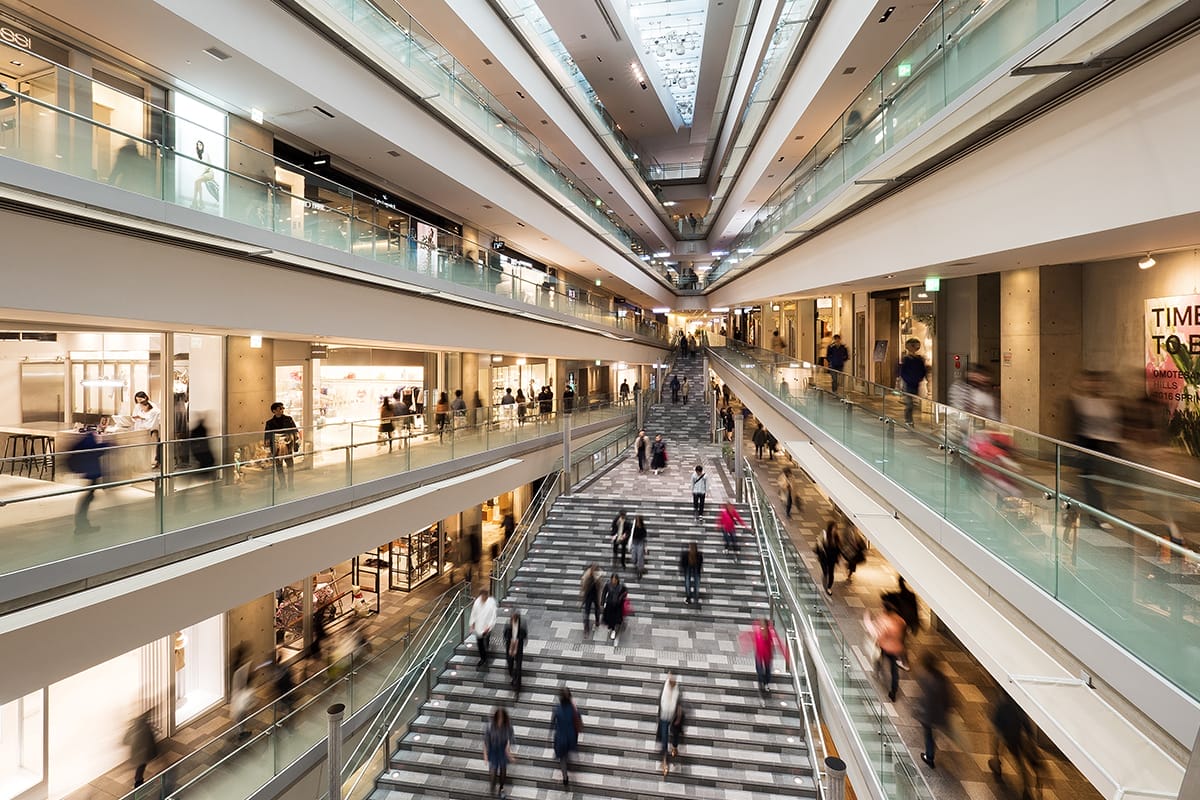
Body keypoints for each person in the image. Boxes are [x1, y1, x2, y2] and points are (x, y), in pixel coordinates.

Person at [1068, 370, 1123, 528]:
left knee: (1097, 482)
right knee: (1090, 482)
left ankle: (1080, 505)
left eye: (1099, 382)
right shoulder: (1079, 401)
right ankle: (1097, 514)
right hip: (1087, 445)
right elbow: (1073, 425)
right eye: (1092, 382)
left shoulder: (1110, 403)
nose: (1096, 385)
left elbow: (1115, 426)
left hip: (1106, 446)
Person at [989, 692, 1040, 793]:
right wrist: (1030, 738)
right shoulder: (1018, 706)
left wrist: (1000, 733)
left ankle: (996, 762)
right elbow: (1026, 723)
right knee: (1020, 759)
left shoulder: (1002, 705)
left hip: (1008, 736)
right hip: (1018, 735)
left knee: (1019, 760)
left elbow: (996, 723)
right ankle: (1027, 784)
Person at [915, 654, 952, 769]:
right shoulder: (941, 678)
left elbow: (926, 700)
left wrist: (920, 710)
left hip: (929, 714)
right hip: (939, 713)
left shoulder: (927, 680)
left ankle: (929, 757)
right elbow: (947, 697)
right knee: (930, 733)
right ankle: (930, 751)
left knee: (928, 734)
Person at [69, 429, 108, 533]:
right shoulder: (90, 440)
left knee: (89, 496)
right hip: (91, 471)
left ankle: (82, 524)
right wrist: (107, 445)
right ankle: (81, 525)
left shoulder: (87, 439)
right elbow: (95, 451)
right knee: (88, 497)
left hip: (90, 471)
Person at [869, 600, 907, 701]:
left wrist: (877, 641)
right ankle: (893, 691)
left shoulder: (884, 620)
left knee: (878, 658)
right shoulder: (900, 620)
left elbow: (880, 634)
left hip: (885, 646)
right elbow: (903, 630)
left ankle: (876, 671)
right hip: (896, 648)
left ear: (885, 609)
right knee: (894, 670)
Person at [882, 577, 920, 670]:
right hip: (905, 624)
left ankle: (903, 662)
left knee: (900, 643)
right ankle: (902, 661)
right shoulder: (909, 596)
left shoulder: (899, 598)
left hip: (902, 624)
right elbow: (915, 612)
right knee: (900, 642)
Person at [746, 618, 788, 697]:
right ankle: (761, 682)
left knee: (767, 670)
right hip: (759, 654)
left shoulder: (769, 633)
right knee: (759, 669)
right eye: (761, 624)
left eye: (763, 624)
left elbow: (775, 643)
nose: (762, 626)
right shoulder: (758, 632)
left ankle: (765, 683)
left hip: (767, 654)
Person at [264, 402, 299, 490]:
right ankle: (283, 485)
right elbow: (267, 437)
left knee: (290, 465)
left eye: (283, 408)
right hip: (276, 446)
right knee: (279, 467)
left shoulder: (289, 419)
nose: (282, 410)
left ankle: (291, 485)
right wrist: (268, 450)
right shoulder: (270, 423)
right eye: (280, 408)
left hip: (288, 444)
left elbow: (295, 432)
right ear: (274, 411)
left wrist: (296, 444)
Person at [550, 688, 581, 787]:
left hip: (560, 737)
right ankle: (571, 758)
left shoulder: (557, 709)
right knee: (567, 753)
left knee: (562, 758)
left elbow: (552, 722)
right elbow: (578, 719)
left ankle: (565, 778)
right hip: (570, 736)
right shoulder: (573, 709)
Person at [482, 707, 515, 797]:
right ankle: (492, 785)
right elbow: (486, 741)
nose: (500, 720)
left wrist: (508, 749)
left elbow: (510, 737)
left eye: (502, 718)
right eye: (499, 718)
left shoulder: (507, 726)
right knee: (493, 770)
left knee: (503, 769)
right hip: (493, 749)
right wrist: (485, 754)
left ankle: (501, 788)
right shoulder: (490, 727)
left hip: (502, 749)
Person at [899, 338, 929, 425]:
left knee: (912, 403)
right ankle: (908, 420)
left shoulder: (919, 359)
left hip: (915, 383)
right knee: (909, 403)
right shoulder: (907, 359)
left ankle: (909, 419)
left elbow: (923, 370)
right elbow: (903, 372)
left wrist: (919, 379)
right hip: (908, 383)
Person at [657, 673, 682, 776]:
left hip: (673, 717)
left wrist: (678, 716)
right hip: (664, 717)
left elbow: (679, 704)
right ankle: (664, 761)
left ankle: (675, 748)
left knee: (675, 735)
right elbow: (660, 701)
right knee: (664, 738)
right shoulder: (664, 687)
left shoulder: (678, 689)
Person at [125, 710, 158, 787]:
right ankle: (138, 783)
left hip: (139, 754)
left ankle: (139, 782)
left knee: (141, 767)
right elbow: (150, 739)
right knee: (140, 768)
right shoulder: (145, 728)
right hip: (142, 754)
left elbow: (126, 741)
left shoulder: (134, 729)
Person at [469, 588, 499, 668]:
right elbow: (473, 613)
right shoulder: (477, 602)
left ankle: (486, 649)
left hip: (487, 627)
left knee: (486, 640)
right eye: (482, 597)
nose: (483, 598)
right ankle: (483, 658)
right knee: (480, 643)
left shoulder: (491, 603)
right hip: (479, 626)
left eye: (484, 597)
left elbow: (493, 616)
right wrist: (472, 624)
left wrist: (489, 627)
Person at [132, 391, 161, 469]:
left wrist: (142, 418)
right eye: (137, 400)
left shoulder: (154, 409)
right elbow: (134, 416)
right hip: (140, 430)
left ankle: (151, 463)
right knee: (140, 449)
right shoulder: (138, 407)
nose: (139, 402)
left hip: (150, 430)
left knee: (149, 449)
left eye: (140, 400)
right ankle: (141, 464)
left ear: (145, 398)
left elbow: (151, 422)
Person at [814, 520, 841, 596]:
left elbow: (838, 548)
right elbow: (819, 542)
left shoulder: (836, 537)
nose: (835, 530)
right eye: (834, 528)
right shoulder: (825, 534)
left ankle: (829, 587)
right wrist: (820, 546)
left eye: (836, 528)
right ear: (830, 528)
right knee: (826, 572)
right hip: (825, 557)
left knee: (831, 573)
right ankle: (825, 585)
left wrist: (838, 559)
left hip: (832, 558)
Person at [502, 612, 527, 692]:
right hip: (510, 647)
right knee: (510, 664)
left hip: (518, 648)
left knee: (518, 666)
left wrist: (517, 640)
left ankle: (518, 686)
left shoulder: (522, 624)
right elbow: (505, 634)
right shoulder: (508, 624)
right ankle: (514, 677)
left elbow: (524, 635)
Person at [601, 573, 627, 641]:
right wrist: (602, 603)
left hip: (617, 606)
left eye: (615, 580)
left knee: (615, 619)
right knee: (610, 618)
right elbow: (604, 593)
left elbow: (625, 592)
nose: (614, 581)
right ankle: (611, 627)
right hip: (609, 605)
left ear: (617, 580)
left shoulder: (621, 586)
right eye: (613, 579)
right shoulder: (608, 585)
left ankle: (613, 630)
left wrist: (621, 597)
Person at [580, 563, 602, 635]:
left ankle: (597, 620)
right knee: (587, 610)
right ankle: (586, 627)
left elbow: (600, 585)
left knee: (597, 608)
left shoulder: (598, 574)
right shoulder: (587, 575)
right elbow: (583, 585)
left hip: (595, 593)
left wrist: (596, 578)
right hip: (588, 594)